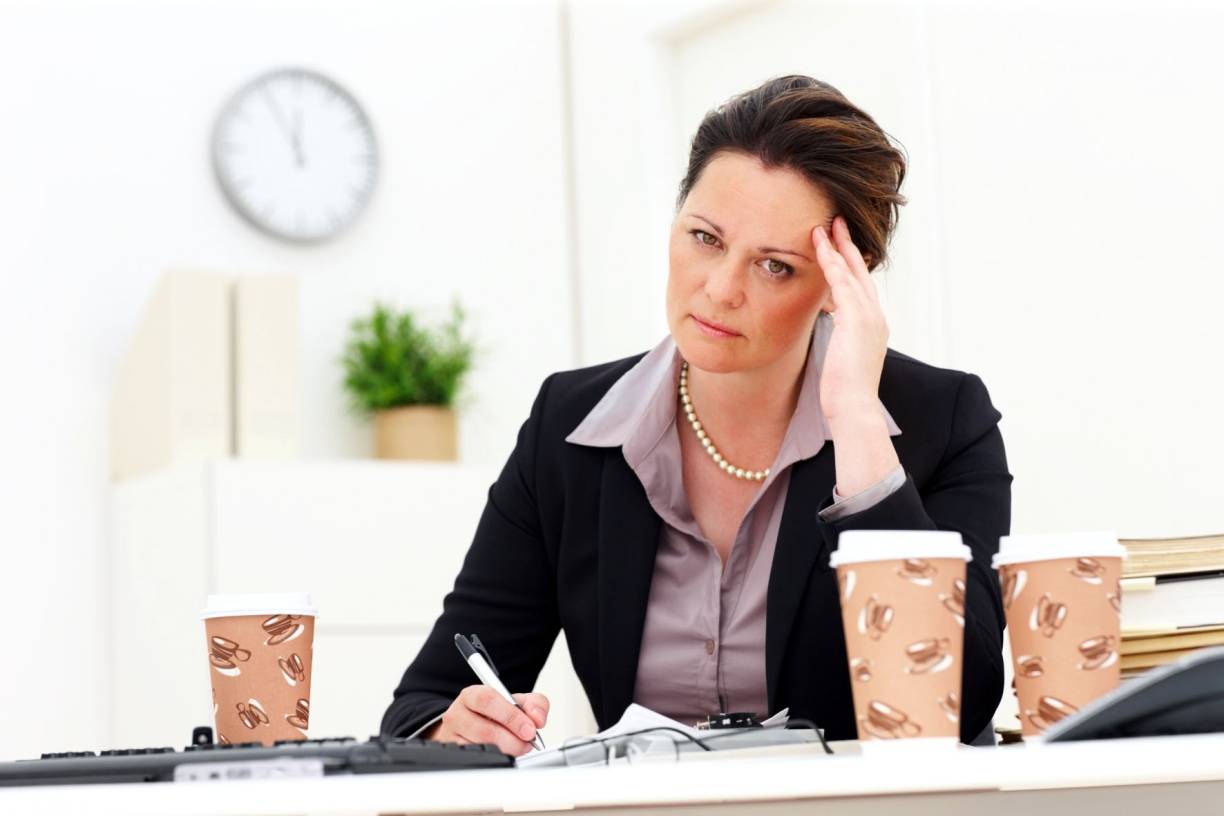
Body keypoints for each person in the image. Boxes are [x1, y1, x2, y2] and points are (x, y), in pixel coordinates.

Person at [380, 75, 1011, 755]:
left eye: (775, 266)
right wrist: (456, 725)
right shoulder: (569, 426)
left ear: (841, 282)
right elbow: (423, 703)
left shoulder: (942, 420)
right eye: (706, 238)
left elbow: (963, 703)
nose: (720, 288)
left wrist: (858, 424)